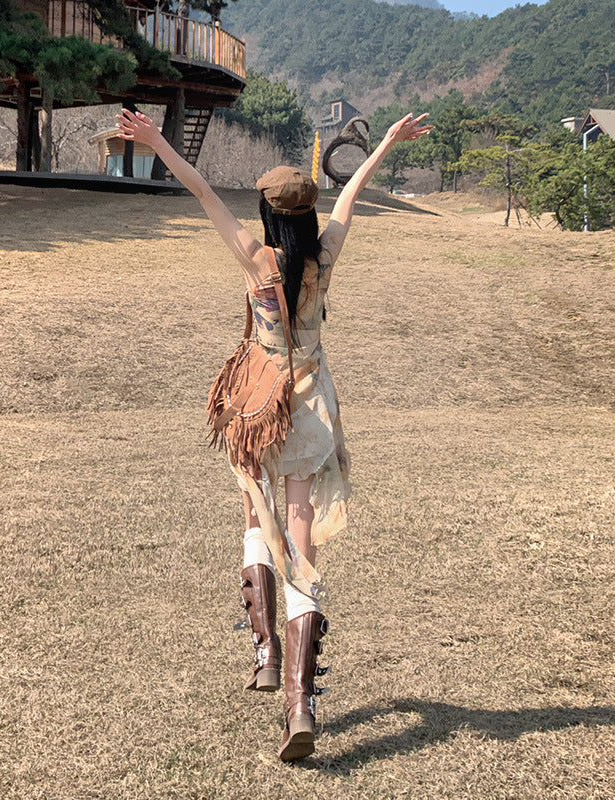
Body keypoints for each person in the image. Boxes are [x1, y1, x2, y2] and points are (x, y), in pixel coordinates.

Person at [117, 107, 432, 762]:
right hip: (311, 409)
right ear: (307, 217)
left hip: (259, 406)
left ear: (266, 215)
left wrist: (157, 142)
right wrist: (391, 145)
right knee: (302, 539)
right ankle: (300, 703)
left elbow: (202, 191)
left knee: (255, 520)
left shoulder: (254, 259)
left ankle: (265, 653)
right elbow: (352, 194)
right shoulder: (322, 258)